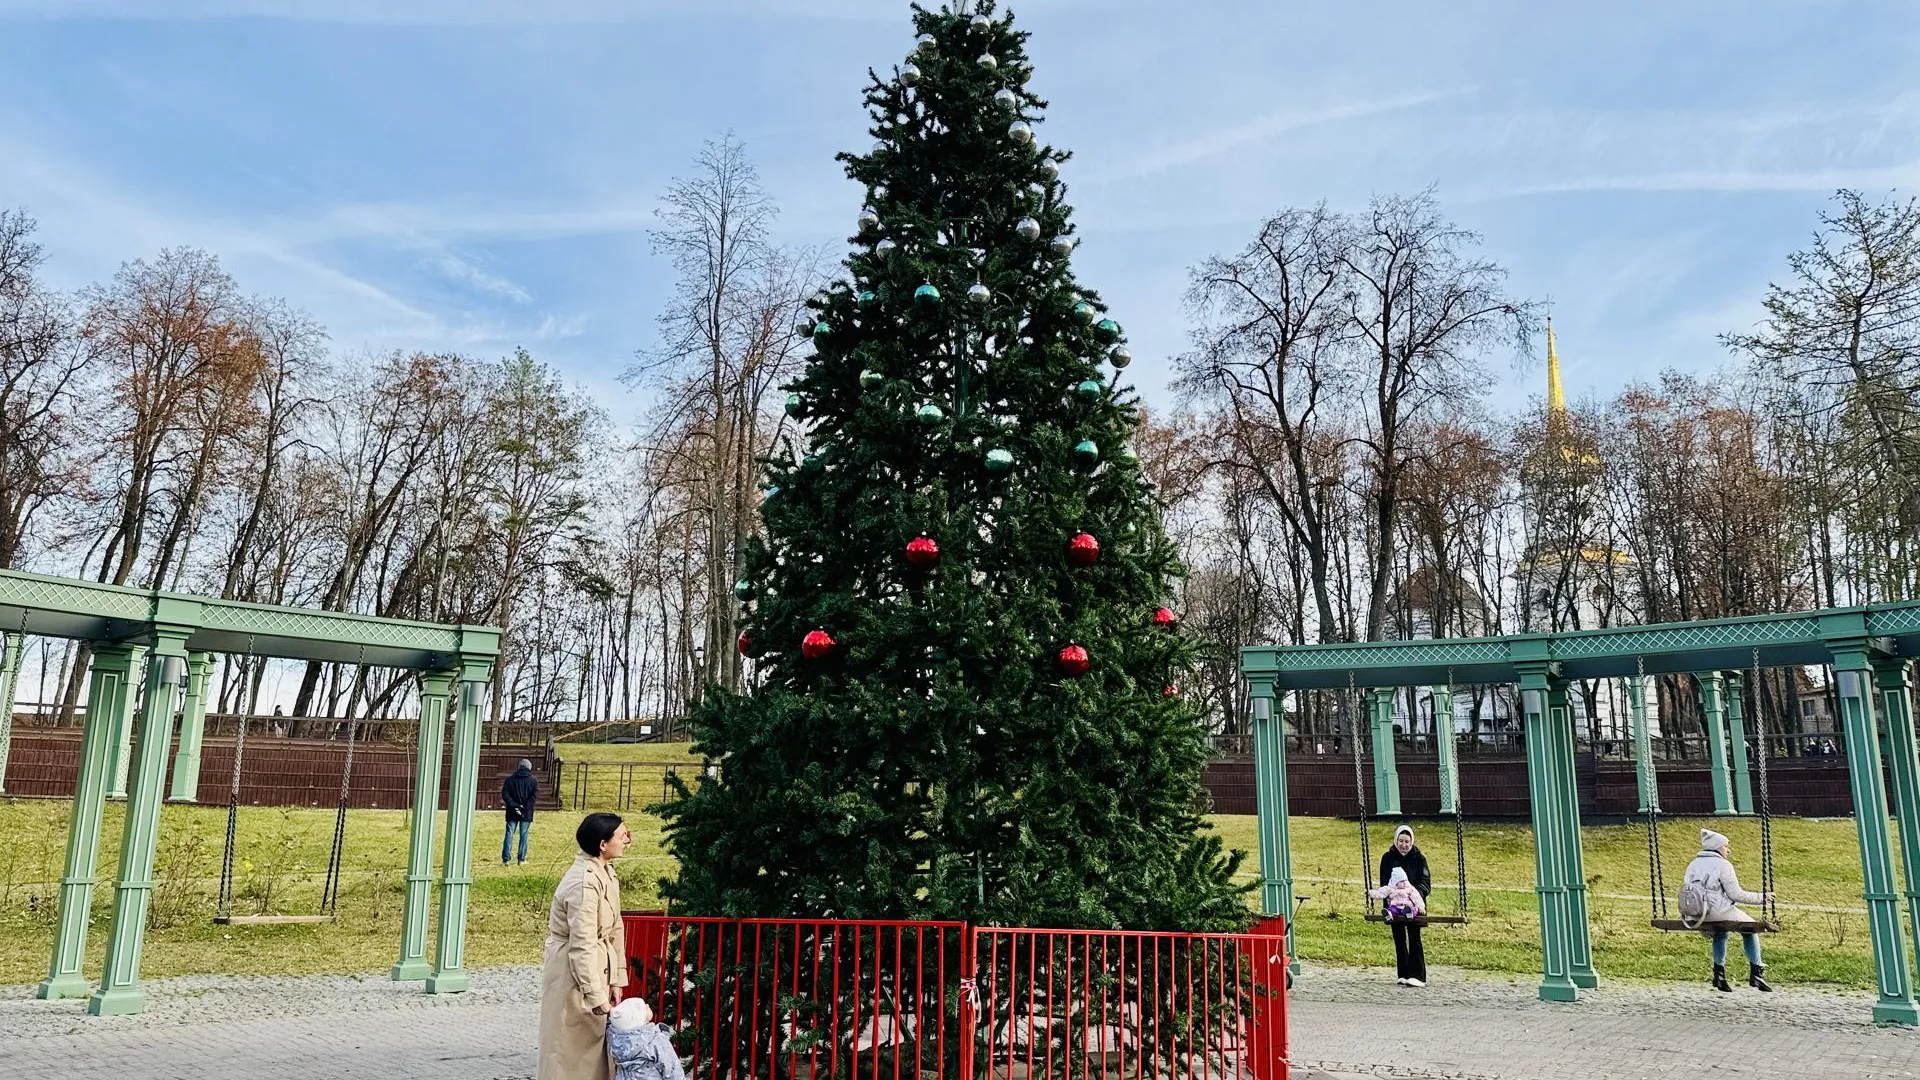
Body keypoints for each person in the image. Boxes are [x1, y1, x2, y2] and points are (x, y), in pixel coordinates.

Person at [538, 812, 633, 1080]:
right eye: (623, 835)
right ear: (602, 844)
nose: (627, 840)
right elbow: (582, 944)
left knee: (592, 1056)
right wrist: (594, 994)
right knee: (568, 1053)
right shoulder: (583, 882)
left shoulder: (605, 873)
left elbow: (615, 929)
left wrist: (617, 980)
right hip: (573, 975)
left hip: (596, 969)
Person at [1681, 828, 1774, 993]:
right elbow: (1736, 894)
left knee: (1720, 932)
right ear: (1717, 848)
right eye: (1725, 846)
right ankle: (1757, 972)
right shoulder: (1723, 865)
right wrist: (1762, 897)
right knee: (1750, 928)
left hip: (1695, 914)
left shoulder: (1693, 864)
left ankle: (1719, 975)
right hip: (1716, 911)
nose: (1728, 850)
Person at [1378, 824, 1432, 987]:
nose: (1403, 844)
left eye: (1407, 841)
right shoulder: (1388, 858)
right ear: (1396, 841)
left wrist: (1413, 895)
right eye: (1400, 841)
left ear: (1411, 842)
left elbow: (1425, 883)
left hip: (1414, 904)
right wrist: (1388, 897)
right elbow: (1384, 882)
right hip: (1394, 903)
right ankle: (1403, 973)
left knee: (1414, 937)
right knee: (1399, 938)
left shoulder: (1419, 858)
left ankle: (1418, 975)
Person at [607, 996, 684, 1080]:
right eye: (643, 1007)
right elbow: (671, 1066)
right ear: (638, 1019)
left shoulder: (615, 1039)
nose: (647, 1005)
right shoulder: (654, 1039)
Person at [504, 759, 540, 866]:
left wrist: (515, 805)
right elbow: (534, 797)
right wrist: (525, 807)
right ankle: (521, 859)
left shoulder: (509, 780)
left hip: (512, 811)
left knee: (509, 833)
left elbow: (505, 794)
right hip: (526, 812)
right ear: (529, 767)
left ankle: (506, 859)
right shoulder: (533, 781)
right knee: (523, 834)